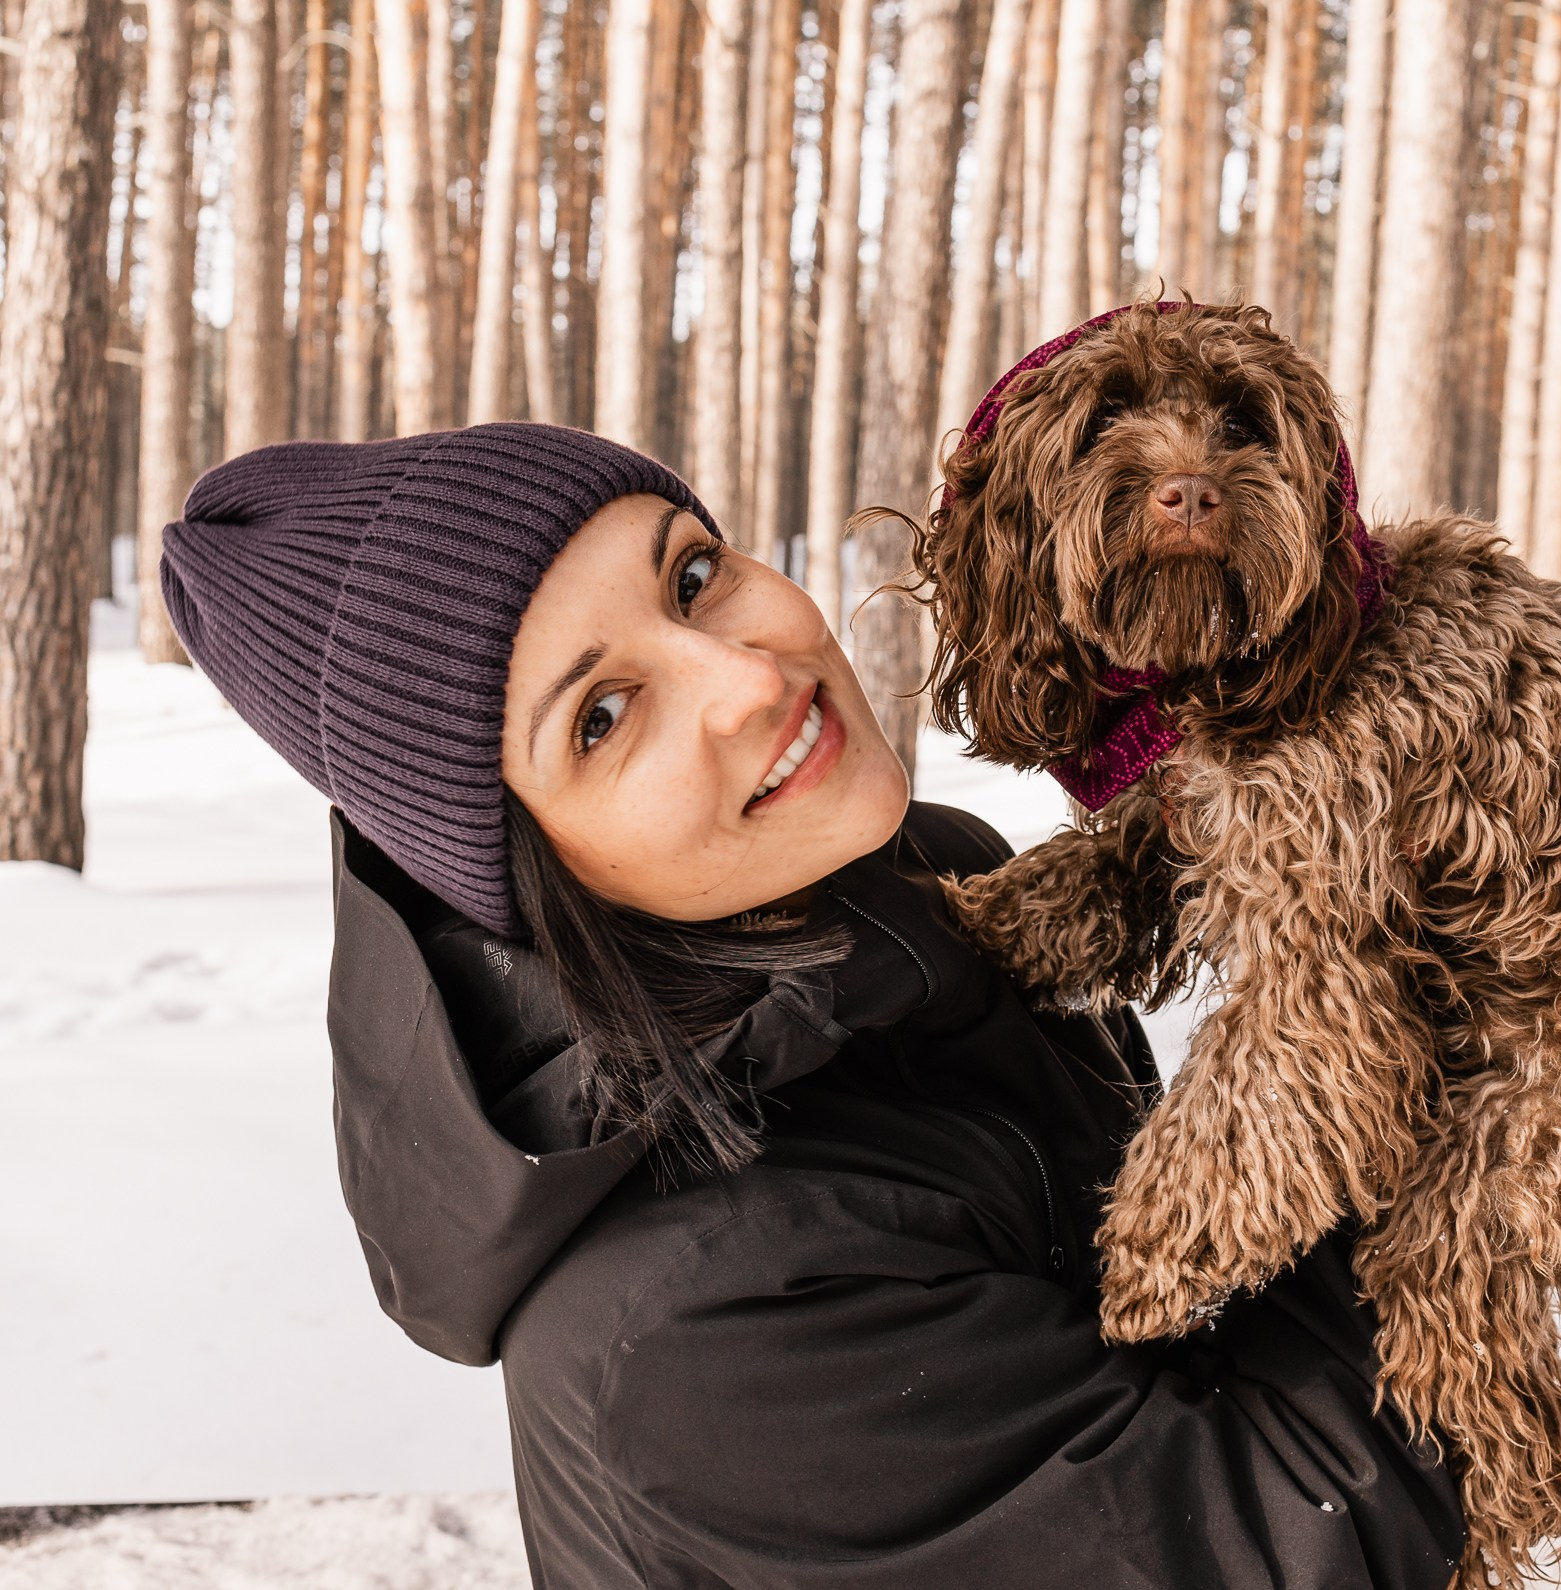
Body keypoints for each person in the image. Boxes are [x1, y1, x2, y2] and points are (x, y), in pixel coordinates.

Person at [160, 423, 1464, 1589]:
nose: (744, 678)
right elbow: (1309, 1545)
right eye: (604, 716)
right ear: (526, 862)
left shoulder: (913, 899)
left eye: (689, 575)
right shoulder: (693, 1335)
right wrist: (1425, 988)